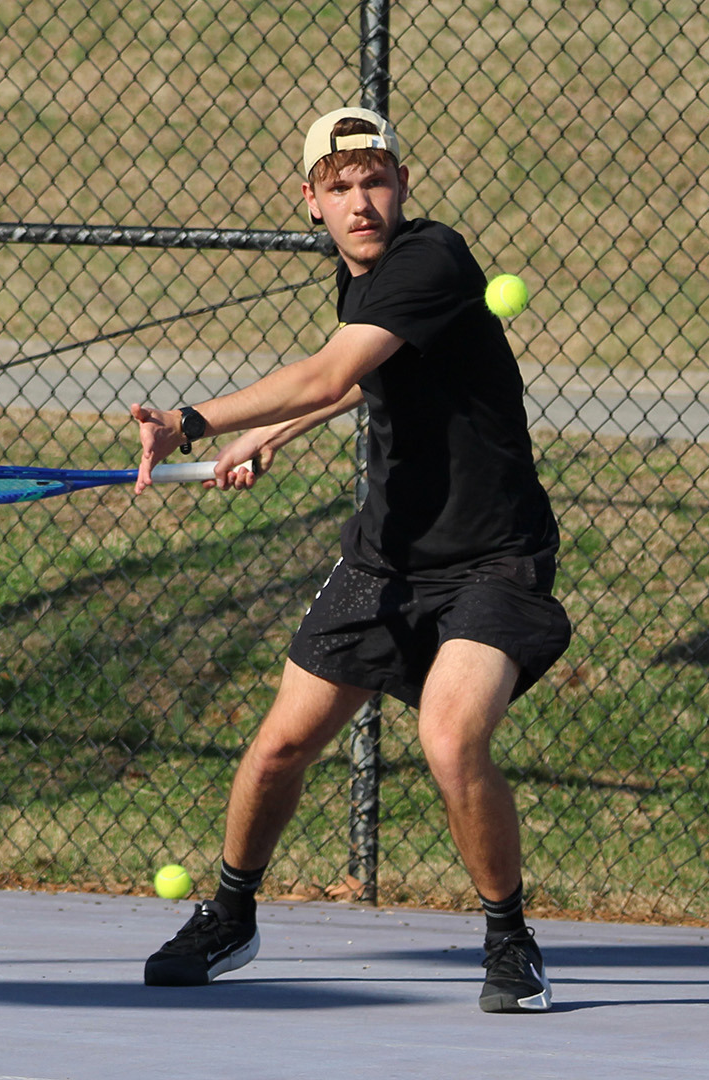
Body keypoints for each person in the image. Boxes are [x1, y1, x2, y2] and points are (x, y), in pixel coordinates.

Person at [128, 106, 571, 1014]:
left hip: (493, 560)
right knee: (281, 745)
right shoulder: (361, 279)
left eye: (375, 182)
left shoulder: (432, 259)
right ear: (312, 203)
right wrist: (271, 436)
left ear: (403, 189)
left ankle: (510, 938)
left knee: (451, 739)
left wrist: (196, 421)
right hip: (385, 561)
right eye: (341, 188)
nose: (361, 202)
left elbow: (334, 371)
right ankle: (232, 915)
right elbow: (364, 375)